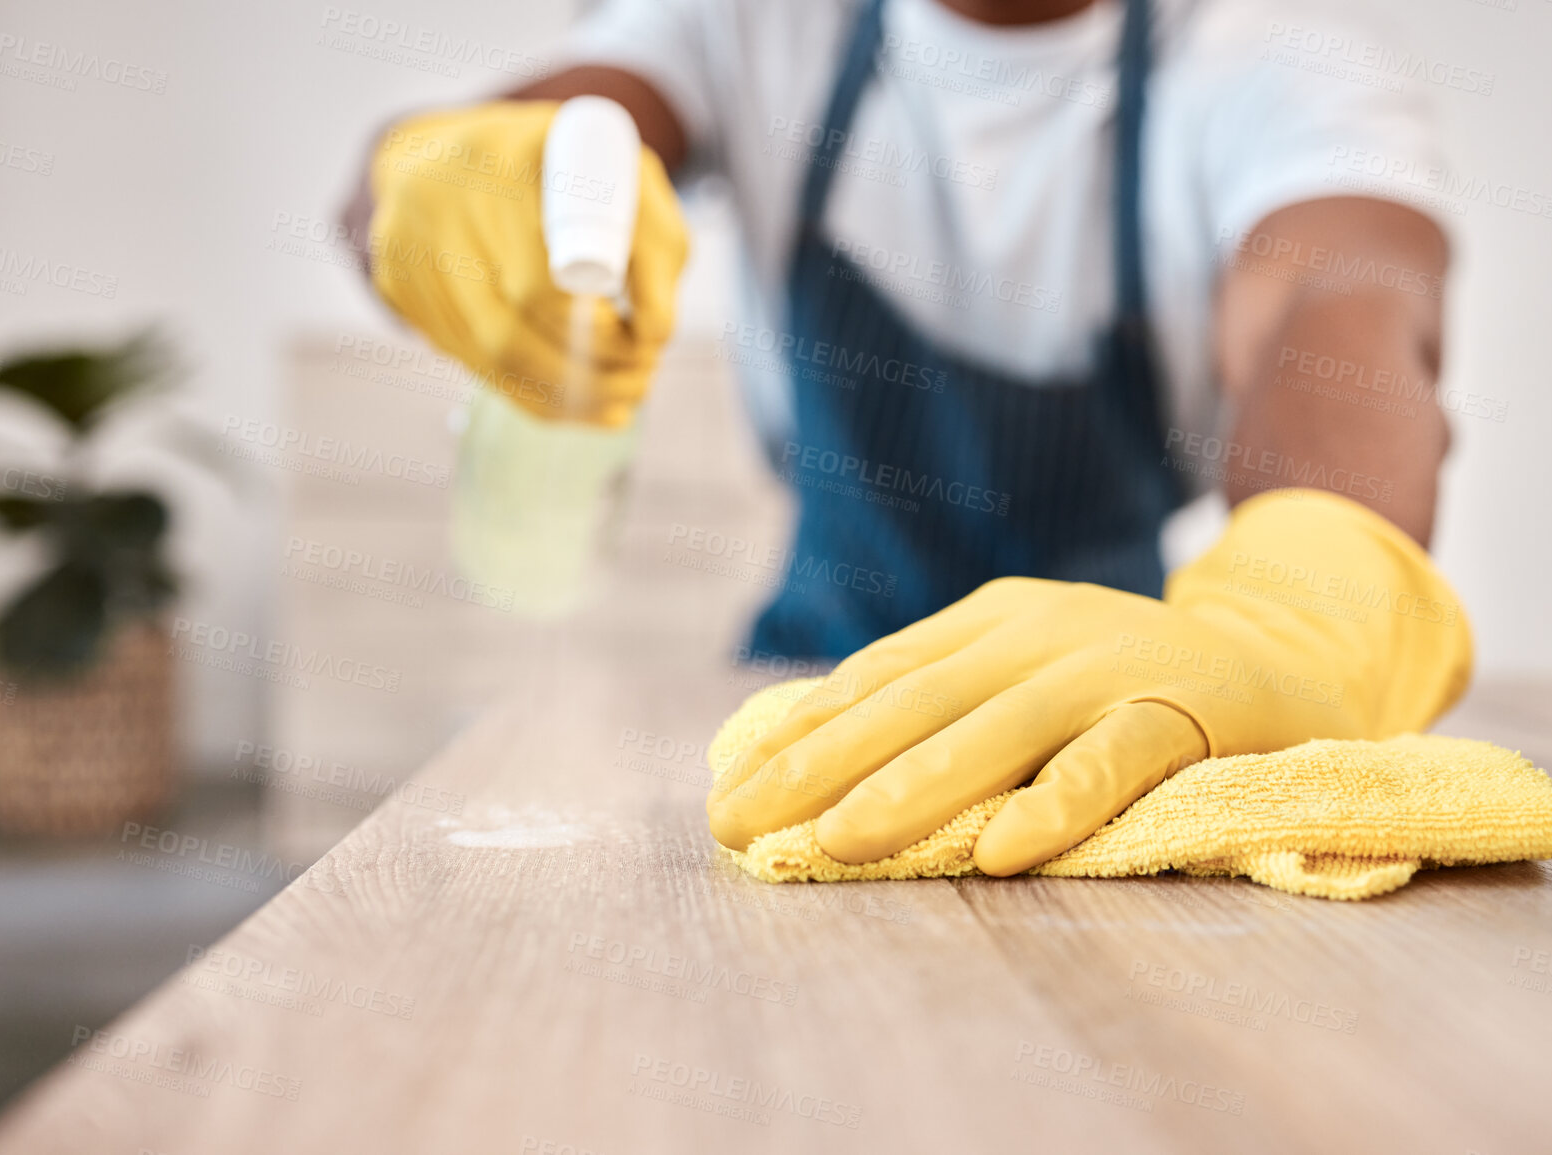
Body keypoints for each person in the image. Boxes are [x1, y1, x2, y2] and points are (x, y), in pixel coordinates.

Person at [344, 0, 1472, 876]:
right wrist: (450, 183)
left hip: (1126, 721)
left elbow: (1342, 302)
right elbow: (558, 129)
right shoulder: (749, 25)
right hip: (795, 689)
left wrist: (1308, 603)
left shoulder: (1275, 70)